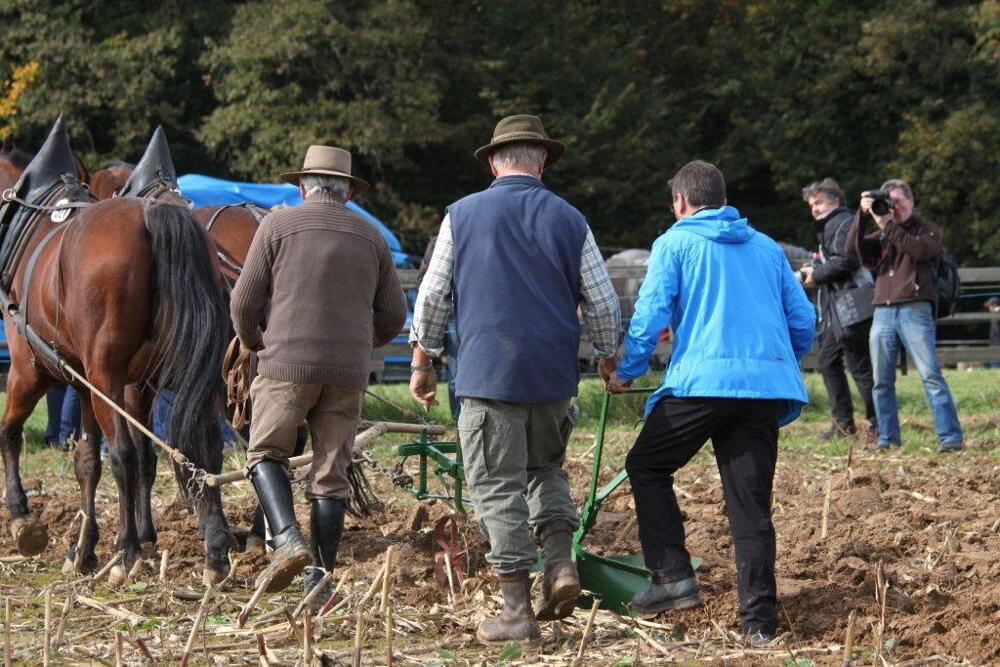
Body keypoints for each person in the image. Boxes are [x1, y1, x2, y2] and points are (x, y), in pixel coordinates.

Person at [409, 114, 621, 645]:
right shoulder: (571, 218)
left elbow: (434, 295)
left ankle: (516, 610)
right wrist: (607, 355)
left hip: (487, 374)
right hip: (552, 376)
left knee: (495, 483)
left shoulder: (461, 215)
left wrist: (423, 360)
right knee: (546, 467)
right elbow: (601, 298)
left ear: (491, 162)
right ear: (542, 161)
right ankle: (559, 563)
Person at [601, 160, 814, 644]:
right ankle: (759, 623)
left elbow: (651, 314)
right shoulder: (767, 248)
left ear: (680, 202)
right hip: (762, 391)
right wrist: (772, 362)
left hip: (702, 386)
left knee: (648, 467)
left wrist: (626, 371)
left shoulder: (674, 242)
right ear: (722, 197)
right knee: (750, 507)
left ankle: (673, 577)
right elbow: (802, 321)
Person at [231, 145, 407, 604]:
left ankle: (287, 539)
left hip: (284, 365)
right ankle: (320, 582)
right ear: (347, 190)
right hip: (348, 372)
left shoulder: (276, 225)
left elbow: (243, 303)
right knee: (331, 475)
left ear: (302, 186)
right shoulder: (372, 236)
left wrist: (254, 342)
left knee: (264, 453)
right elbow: (393, 314)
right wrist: (357, 345)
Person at [846, 179, 963, 452]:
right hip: (883, 310)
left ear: (911, 201)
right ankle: (888, 438)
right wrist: (862, 216)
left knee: (930, 375)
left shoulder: (928, 230)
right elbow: (852, 249)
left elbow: (918, 250)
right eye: (889, 202)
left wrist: (887, 225)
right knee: (881, 381)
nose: (893, 207)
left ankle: (950, 437)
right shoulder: (884, 231)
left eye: (898, 201)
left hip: (915, 307)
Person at [800, 178, 876, 442]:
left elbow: (847, 261)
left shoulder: (842, 222)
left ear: (834, 200)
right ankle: (843, 425)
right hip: (837, 307)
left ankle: (877, 425)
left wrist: (816, 275)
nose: (815, 209)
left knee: (860, 367)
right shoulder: (832, 225)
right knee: (828, 361)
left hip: (851, 304)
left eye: (819, 202)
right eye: (811, 205)